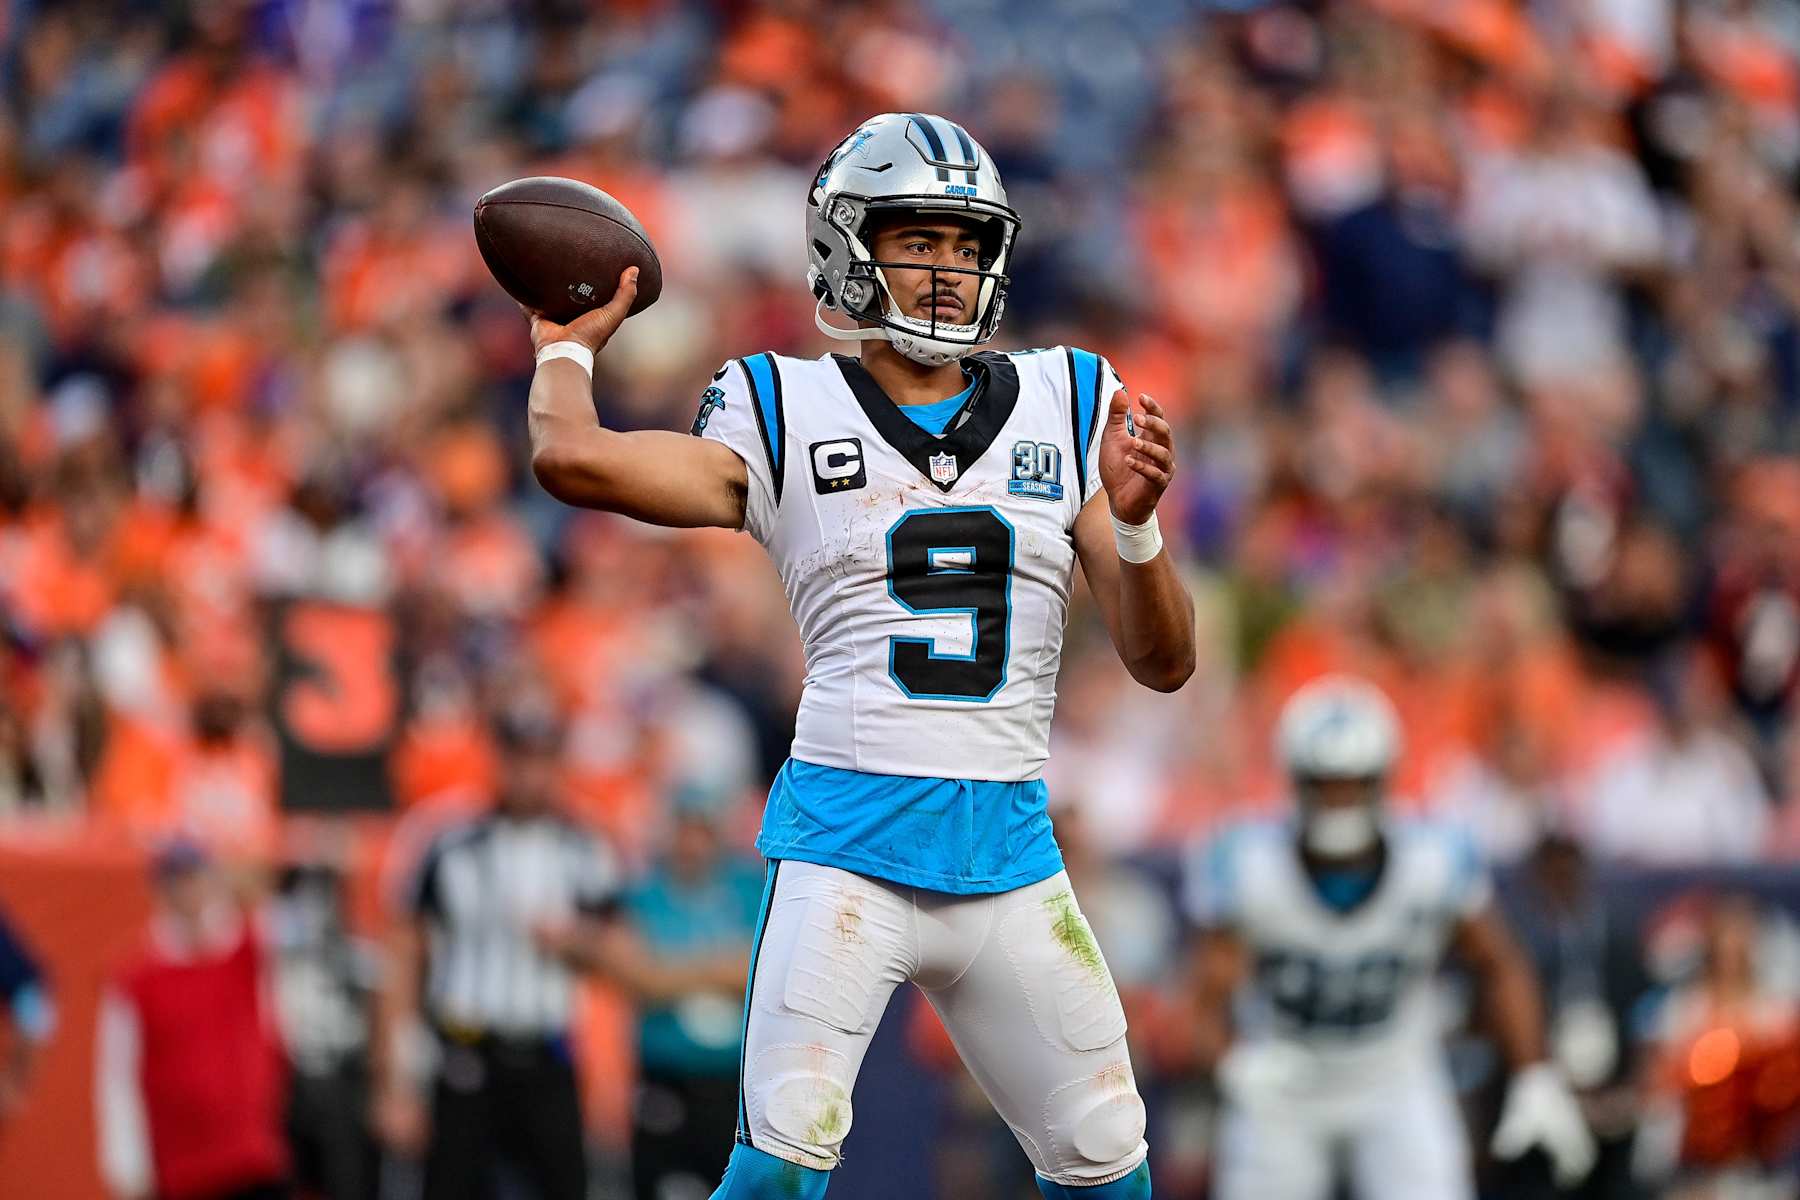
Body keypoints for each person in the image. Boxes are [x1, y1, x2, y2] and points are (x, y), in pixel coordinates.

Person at [523, 111, 1196, 1200]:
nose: (945, 270)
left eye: (966, 245)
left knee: (1108, 1160)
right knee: (781, 1165)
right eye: (919, 240)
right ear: (847, 245)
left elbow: (1164, 662)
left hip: (1009, 855)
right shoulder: (783, 403)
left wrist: (1134, 527)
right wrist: (564, 344)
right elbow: (572, 458)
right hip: (848, 846)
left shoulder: (1072, 400)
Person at [1182, 675, 1597, 1200]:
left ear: (1384, 778)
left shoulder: (1433, 860)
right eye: (1325, 782)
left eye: (1354, 781)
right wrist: (1234, 1064)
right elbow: (1203, 995)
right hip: (1285, 1081)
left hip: (1395, 1076)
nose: (1340, 799)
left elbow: (1499, 965)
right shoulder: (1249, 864)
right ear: (1295, 781)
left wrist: (1535, 1071)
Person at [373, 704, 744, 1200]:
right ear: (498, 759)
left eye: (542, 759)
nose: (530, 775)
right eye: (519, 759)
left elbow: (627, 957)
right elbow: (404, 956)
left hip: (548, 1056)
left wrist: (578, 943)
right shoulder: (449, 843)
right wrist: (395, 1078)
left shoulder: (585, 849)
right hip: (465, 1053)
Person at [96, 839, 290, 1200]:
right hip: (184, 1170)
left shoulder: (248, 951)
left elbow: (274, 896)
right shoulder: (136, 979)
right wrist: (126, 1167)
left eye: (195, 879)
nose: (188, 892)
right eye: (177, 882)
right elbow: (117, 1078)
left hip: (255, 1158)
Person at [623, 786, 760, 1200]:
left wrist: (674, 971)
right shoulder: (644, 894)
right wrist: (719, 965)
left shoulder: (749, 888)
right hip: (667, 1076)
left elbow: (758, 970)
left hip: (731, 1084)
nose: (693, 843)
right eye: (685, 830)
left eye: (702, 831)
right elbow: (640, 976)